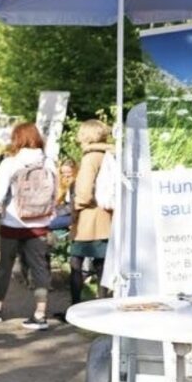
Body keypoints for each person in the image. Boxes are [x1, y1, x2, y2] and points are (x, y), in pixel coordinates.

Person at [0, 122, 56, 330]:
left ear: (17, 139)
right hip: (40, 223)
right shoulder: (49, 163)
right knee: (39, 267)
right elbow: (55, 194)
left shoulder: (10, 163)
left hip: (13, 223)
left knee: (5, 266)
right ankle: (40, 313)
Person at [70, 120, 114, 304]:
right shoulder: (110, 155)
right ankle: (103, 304)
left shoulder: (90, 158)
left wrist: (75, 206)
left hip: (88, 219)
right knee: (102, 265)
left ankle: (75, 306)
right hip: (108, 216)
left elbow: (84, 192)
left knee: (76, 263)